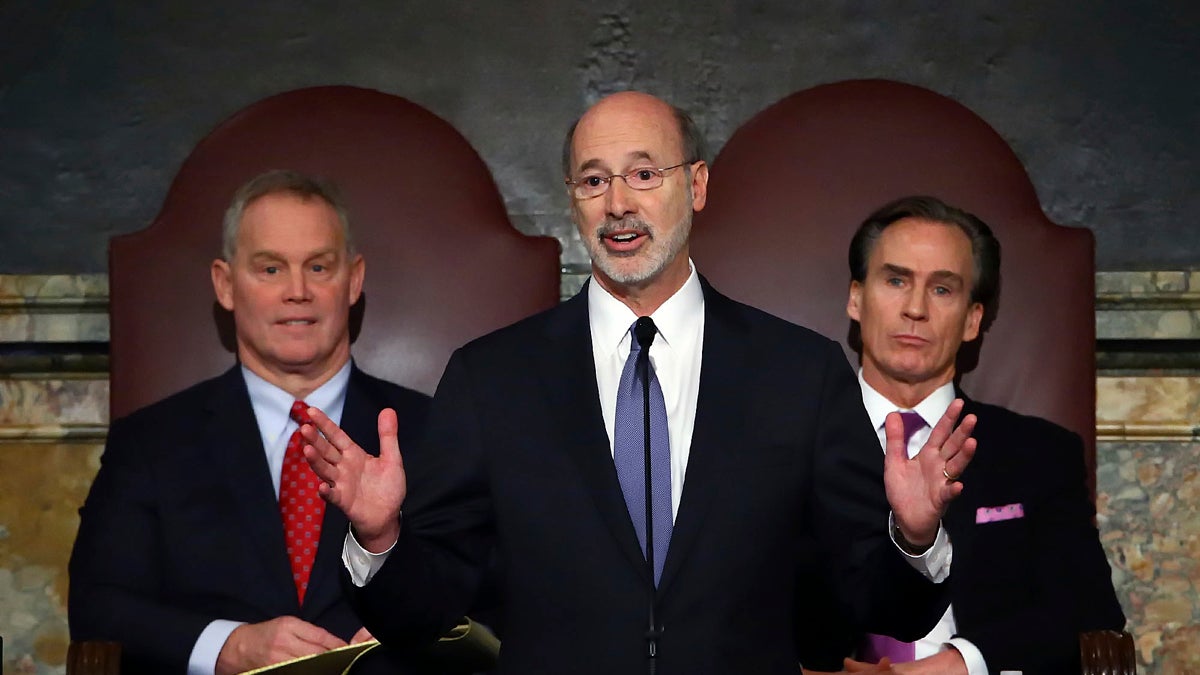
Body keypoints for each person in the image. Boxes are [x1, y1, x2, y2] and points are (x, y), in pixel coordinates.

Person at [303, 92, 975, 674]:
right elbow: (421, 611)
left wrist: (912, 538)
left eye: (643, 173)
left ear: (698, 185)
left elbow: (885, 605)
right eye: (593, 181)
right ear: (572, 200)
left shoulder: (799, 373)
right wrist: (382, 537)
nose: (618, 203)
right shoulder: (493, 379)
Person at [68, 170, 432, 675]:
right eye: (270, 269)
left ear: (354, 280)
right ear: (225, 283)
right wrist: (229, 647)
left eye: (320, 267)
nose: (298, 291)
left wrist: (418, 624)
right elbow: (99, 606)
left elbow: (496, 596)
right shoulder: (150, 443)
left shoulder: (434, 431)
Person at [834, 195, 1125, 674]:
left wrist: (958, 665)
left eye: (943, 289)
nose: (915, 309)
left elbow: (1087, 611)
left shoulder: (1039, 454)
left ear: (972, 320)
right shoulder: (784, 438)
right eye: (895, 280)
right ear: (856, 298)